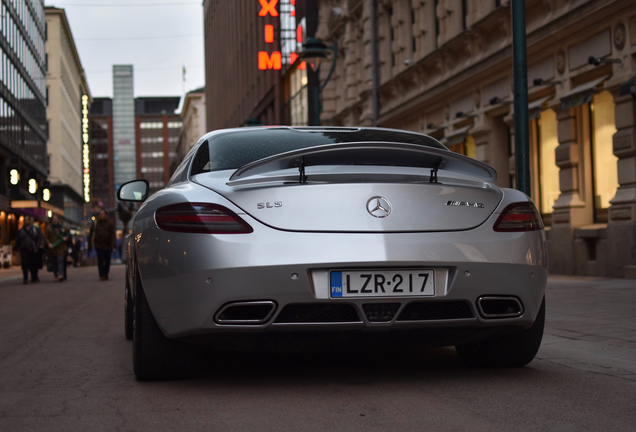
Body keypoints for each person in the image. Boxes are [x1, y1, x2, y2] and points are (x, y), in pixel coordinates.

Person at [14, 216, 43, 284]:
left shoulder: (35, 230)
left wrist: (37, 247)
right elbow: (18, 240)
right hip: (24, 249)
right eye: (25, 220)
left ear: (30, 221)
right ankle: (25, 278)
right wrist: (15, 249)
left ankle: (34, 277)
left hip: (33, 249)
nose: (27, 221)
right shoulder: (21, 231)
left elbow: (39, 239)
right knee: (25, 264)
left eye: (28, 220)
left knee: (33, 264)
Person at [89, 209, 116, 281]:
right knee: (100, 260)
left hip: (108, 245)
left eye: (103, 214)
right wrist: (90, 245)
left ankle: (106, 273)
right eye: (101, 214)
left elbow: (113, 235)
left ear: (105, 215)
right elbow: (90, 234)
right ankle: (101, 275)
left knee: (107, 261)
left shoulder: (109, 223)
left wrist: (113, 245)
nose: (102, 215)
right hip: (99, 245)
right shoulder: (95, 223)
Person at [45, 215, 70, 282]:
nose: (55, 220)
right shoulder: (49, 228)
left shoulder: (63, 228)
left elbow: (68, 235)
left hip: (62, 247)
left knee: (60, 261)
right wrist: (49, 243)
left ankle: (61, 275)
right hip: (53, 248)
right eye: (54, 219)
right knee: (54, 262)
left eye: (56, 219)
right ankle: (56, 275)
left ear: (58, 220)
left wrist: (66, 238)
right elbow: (46, 237)